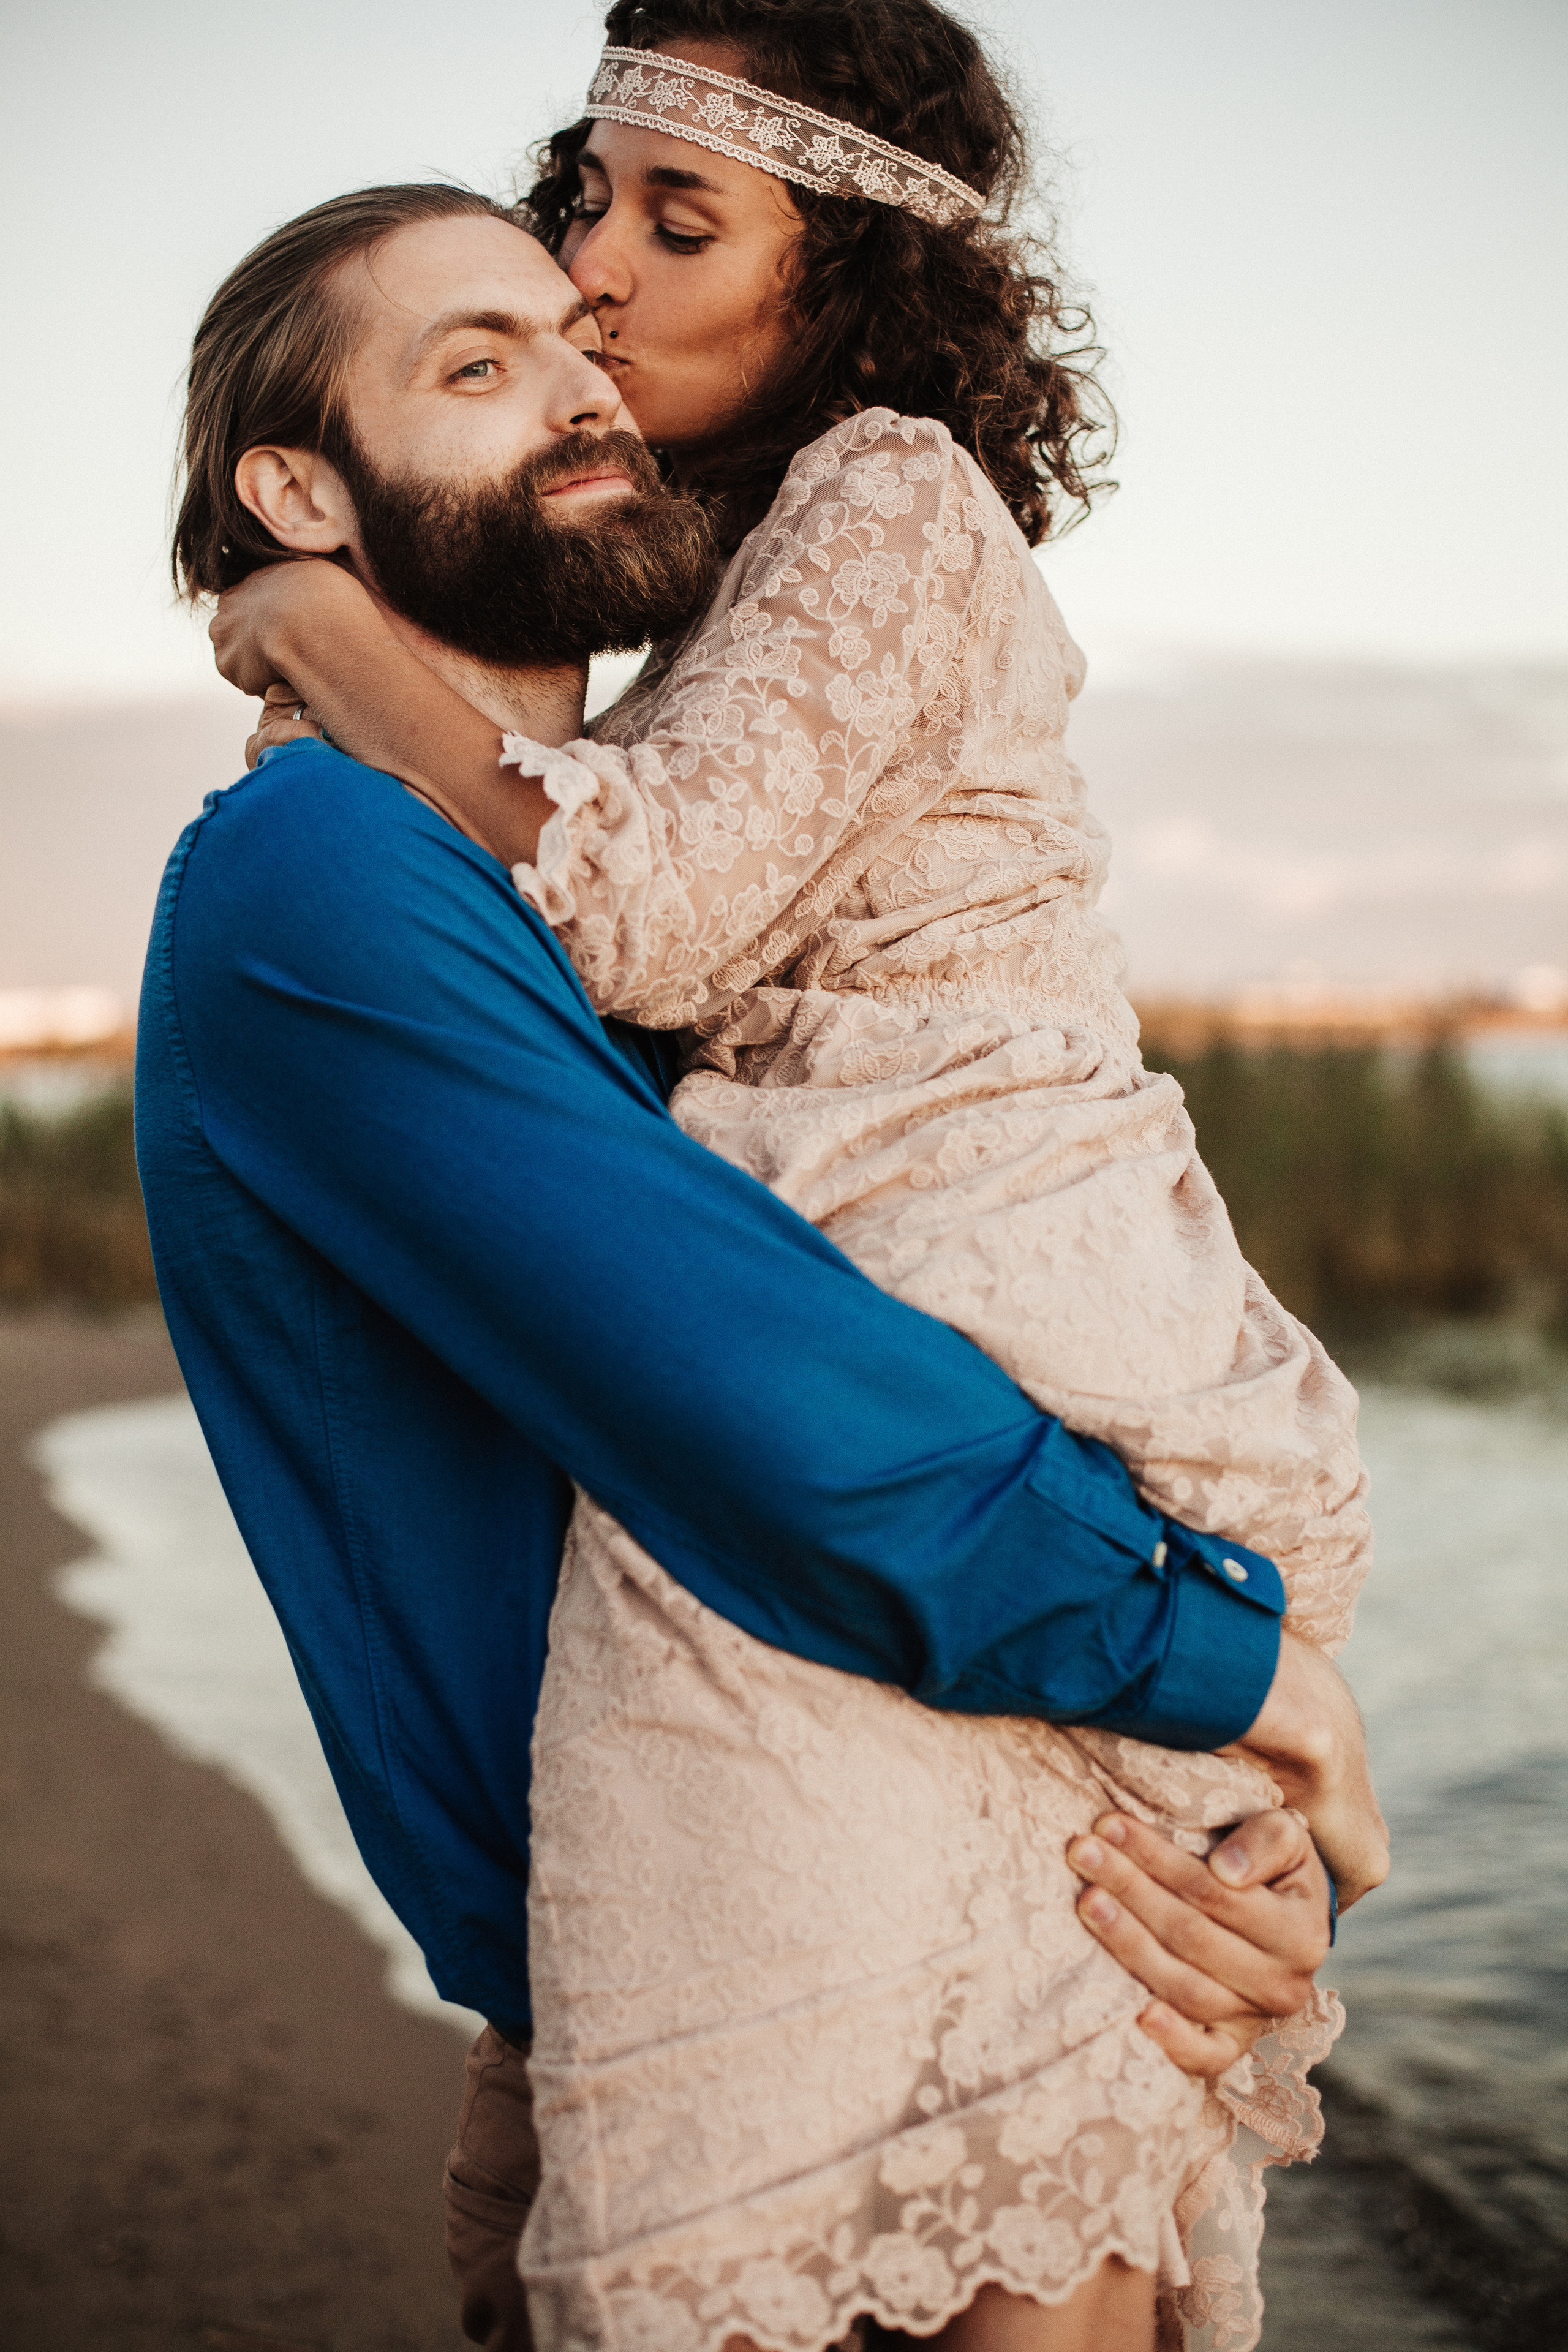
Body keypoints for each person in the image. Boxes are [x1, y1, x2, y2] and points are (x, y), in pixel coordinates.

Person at [209, 9, 1385, 2352]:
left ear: (845, 277)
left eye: (681, 222)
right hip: (917, 1397)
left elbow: (637, 909)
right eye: (584, 205)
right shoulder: (654, 650)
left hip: (1003, 1315)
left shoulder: (889, 496)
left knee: (1000, 2147)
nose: (600, 279)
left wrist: (326, 632)